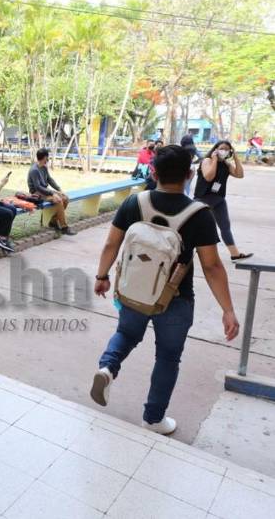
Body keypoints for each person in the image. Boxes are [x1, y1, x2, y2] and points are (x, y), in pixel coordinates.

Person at [90, 144, 240, 434]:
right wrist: (228, 310)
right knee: (168, 357)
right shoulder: (199, 213)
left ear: (154, 172)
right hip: (176, 298)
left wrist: (102, 275)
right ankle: (153, 418)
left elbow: (112, 243)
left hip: (133, 291)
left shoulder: (135, 203)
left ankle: (108, 368)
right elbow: (212, 266)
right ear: (190, 174)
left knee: (125, 334)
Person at [194, 140, 252, 261]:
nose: (224, 151)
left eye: (227, 149)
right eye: (221, 148)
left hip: (219, 199)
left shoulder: (226, 164)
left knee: (225, 227)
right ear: (215, 149)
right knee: (198, 228)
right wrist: (214, 159)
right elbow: (208, 177)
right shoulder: (207, 161)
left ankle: (235, 254)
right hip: (203, 199)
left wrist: (236, 157)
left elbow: (240, 174)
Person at [28, 148, 76, 235]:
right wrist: (53, 193)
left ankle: (53, 221)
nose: (48, 159)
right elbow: (38, 187)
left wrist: (59, 190)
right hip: (37, 193)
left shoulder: (44, 167)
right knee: (59, 200)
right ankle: (64, 227)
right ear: (45, 157)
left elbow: (50, 180)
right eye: (47, 157)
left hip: (45, 191)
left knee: (65, 198)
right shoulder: (34, 170)